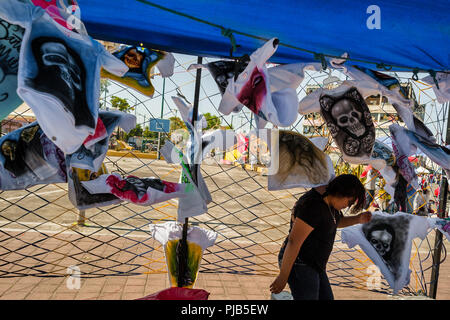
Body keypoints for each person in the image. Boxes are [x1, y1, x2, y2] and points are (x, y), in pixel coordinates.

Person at [269, 174, 372, 300]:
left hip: (315, 264)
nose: (348, 206)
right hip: (300, 263)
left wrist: (358, 219)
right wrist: (283, 277)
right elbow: (293, 241)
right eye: (349, 201)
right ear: (340, 193)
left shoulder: (330, 204)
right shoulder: (313, 207)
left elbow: (335, 222)